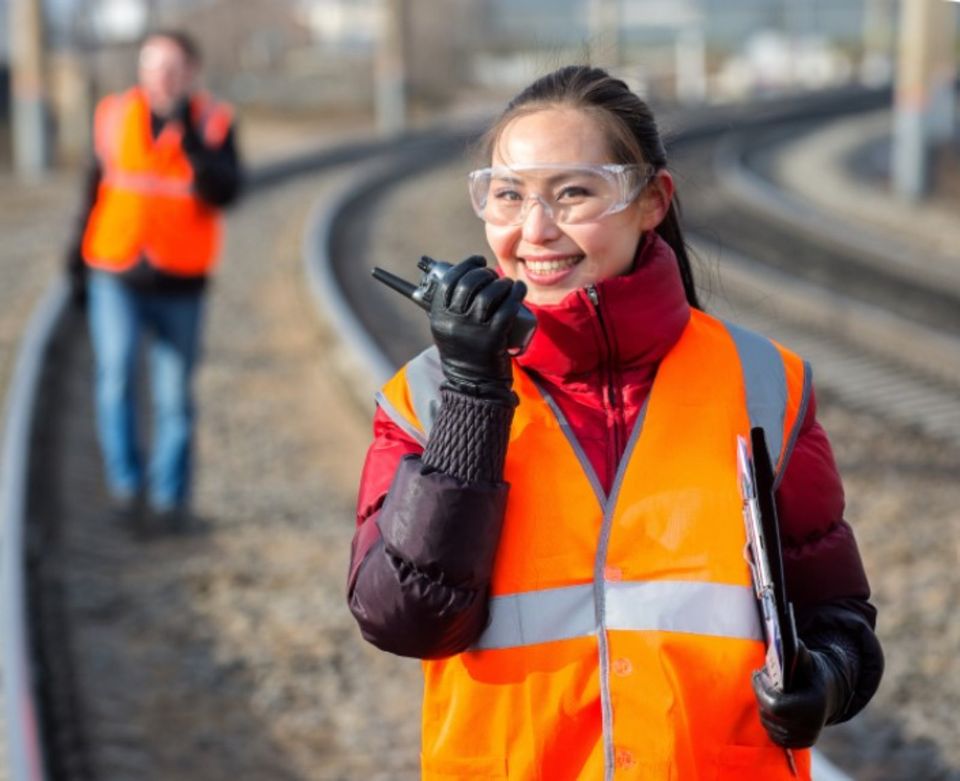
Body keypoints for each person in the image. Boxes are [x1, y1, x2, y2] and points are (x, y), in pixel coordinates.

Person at [348, 65, 883, 779]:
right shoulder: (424, 395)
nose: (535, 229)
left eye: (573, 192)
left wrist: (829, 678)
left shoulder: (765, 385)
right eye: (508, 194)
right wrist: (475, 395)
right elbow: (406, 621)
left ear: (652, 200)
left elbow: (839, 619)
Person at [66, 30, 243, 528]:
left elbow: (226, 191)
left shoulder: (213, 123)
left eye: (172, 66)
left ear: (190, 72)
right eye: (152, 64)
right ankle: (126, 490)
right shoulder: (112, 115)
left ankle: (170, 502)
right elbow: (91, 191)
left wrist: (190, 143)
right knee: (116, 377)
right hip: (115, 270)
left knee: (173, 397)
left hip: (181, 283)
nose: (161, 76)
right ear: (141, 69)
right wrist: (73, 266)